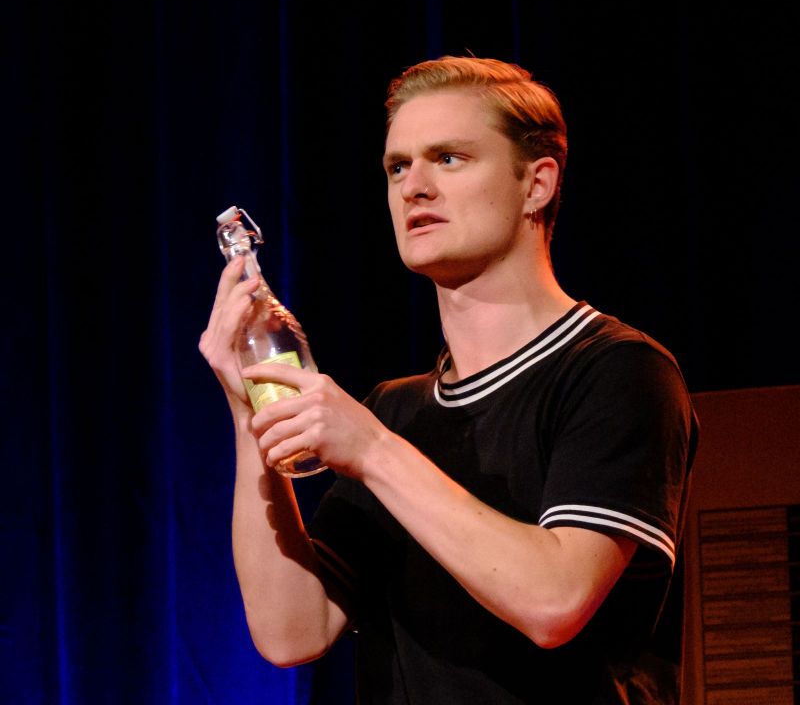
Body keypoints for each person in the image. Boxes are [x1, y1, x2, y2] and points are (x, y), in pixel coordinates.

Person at [200, 56, 698, 704]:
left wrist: (372, 451)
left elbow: (555, 602)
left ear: (537, 184)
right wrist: (249, 413)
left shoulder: (617, 370)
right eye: (397, 167)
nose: (414, 187)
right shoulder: (395, 409)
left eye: (450, 158)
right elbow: (292, 631)